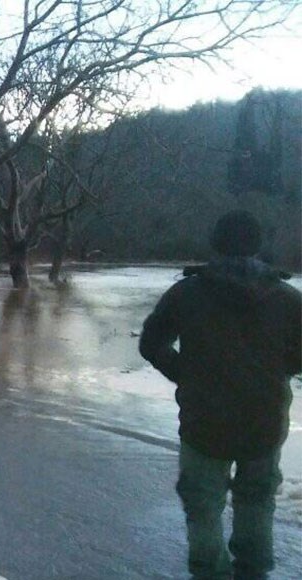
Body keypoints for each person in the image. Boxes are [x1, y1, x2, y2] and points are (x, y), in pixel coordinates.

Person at [139, 210, 301, 579]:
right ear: (259, 245)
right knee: (257, 502)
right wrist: (277, 371)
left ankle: (210, 573)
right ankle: (253, 572)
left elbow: (151, 343)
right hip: (265, 419)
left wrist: (186, 376)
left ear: (215, 242)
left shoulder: (185, 294)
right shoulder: (288, 299)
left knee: (203, 506)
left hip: (203, 420)